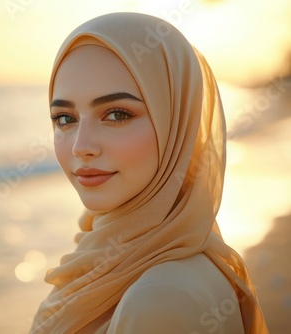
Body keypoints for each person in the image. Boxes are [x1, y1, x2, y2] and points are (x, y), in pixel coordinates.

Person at [30, 12, 268, 333]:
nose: (80, 146)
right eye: (64, 118)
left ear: (176, 121)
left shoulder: (158, 300)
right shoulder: (161, 259)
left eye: (116, 114)